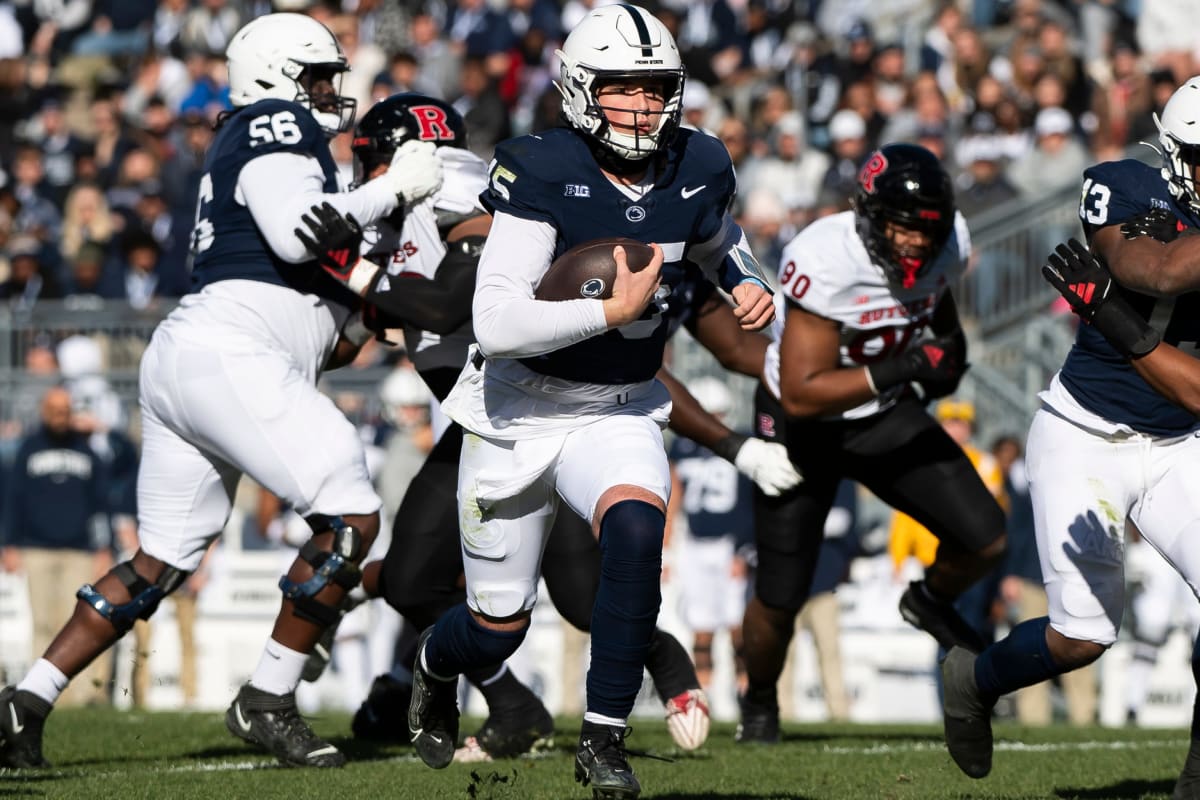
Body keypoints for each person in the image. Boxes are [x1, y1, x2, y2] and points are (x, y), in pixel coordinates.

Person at [296, 89, 798, 762]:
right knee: (436, 586)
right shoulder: (392, 224)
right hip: (487, 415)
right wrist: (351, 299)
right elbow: (354, 338)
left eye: (368, 162)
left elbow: (459, 303)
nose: (363, 177)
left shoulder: (458, 189)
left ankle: (632, 681)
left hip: (545, 401)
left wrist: (350, 270)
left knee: (583, 591)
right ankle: (492, 697)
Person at [0, 12, 444, 770]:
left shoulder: (269, 143)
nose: (330, 92)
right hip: (230, 348)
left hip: (202, 353)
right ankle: (268, 697)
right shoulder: (274, 122)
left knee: (161, 560)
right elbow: (298, 233)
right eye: (319, 76)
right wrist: (392, 189)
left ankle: (26, 699)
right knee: (350, 516)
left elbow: (322, 338)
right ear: (278, 76)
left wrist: (378, 309)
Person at [397, 7, 774, 797]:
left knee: (637, 527)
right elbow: (496, 323)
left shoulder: (696, 161)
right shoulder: (540, 170)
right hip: (517, 410)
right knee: (499, 623)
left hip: (619, 404)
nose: (641, 109)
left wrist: (744, 280)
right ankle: (434, 664)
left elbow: (715, 235)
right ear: (578, 91)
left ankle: (603, 738)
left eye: (655, 91)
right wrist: (609, 312)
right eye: (621, 92)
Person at [952, 74, 1200, 792]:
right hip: (1084, 432)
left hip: (1179, 440)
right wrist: (1127, 322)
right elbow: (1146, 267)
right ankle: (975, 676)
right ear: (1178, 152)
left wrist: (1122, 330)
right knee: (1083, 637)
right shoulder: (1127, 184)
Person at [738, 142, 1008, 744]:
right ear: (867, 216)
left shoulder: (951, 242)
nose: (914, 241)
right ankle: (759, 703)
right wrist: (908, 363)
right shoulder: (824, 256)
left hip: (882, 413)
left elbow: (938, 313)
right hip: (798, 425)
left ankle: (928, 601)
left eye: (926, 229)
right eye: (900, 226)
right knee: (781, 592)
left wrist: (948, 354)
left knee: (986, 539)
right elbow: (804, 393)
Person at [1, 387, 113, 709]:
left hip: (79, 550)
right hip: (36, 548)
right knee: (43, 623)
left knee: (79, 623)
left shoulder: (87, 450)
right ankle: (40, 695)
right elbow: (13, 500)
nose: (60, 416)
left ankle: (83, 696)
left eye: (65, 410)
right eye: (54, 410)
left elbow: (100, 503)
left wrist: (103, 547)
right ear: (43, 411)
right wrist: (8, 544)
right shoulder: (27, 449)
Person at [665, 377, 753, 701]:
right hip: (695, 544)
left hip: (728, 544)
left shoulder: (738, 443)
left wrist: (744, 549)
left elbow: (749, 503)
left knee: (738, 628)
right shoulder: (681, 448)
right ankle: (705, 694)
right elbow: (673, 495)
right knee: (701, 627)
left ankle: (744, 695)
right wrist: (667, 549)